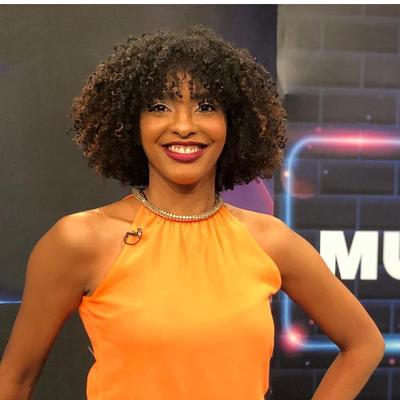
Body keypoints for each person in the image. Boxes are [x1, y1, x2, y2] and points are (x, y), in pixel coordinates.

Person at [0, 25, 384, 400]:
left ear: (233, 123)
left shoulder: (268, 240)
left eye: (206, 106)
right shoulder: (80, 239)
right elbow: (15, 380)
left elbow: (364, 343)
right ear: (130, 123)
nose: (183, 125)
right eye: (159, 107)